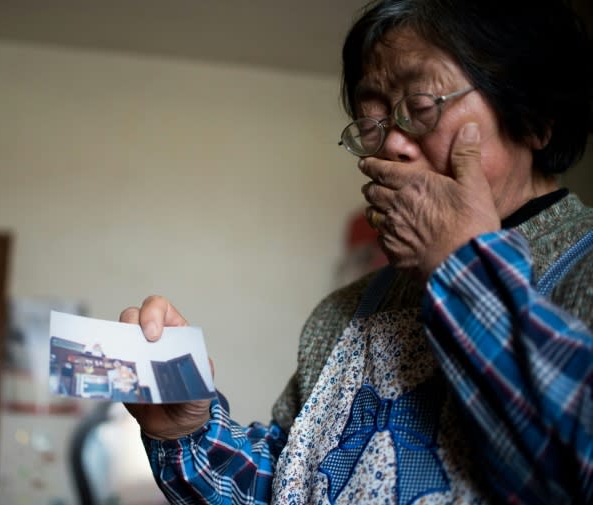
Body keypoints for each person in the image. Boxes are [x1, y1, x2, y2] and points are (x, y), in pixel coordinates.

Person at [118, 0, 593, 503]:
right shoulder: (342, 315)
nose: (392, 145)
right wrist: (187, 433)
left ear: (538, 117)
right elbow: (290, 486)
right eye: (372, 123)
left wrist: (462, 270)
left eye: (423, 105)